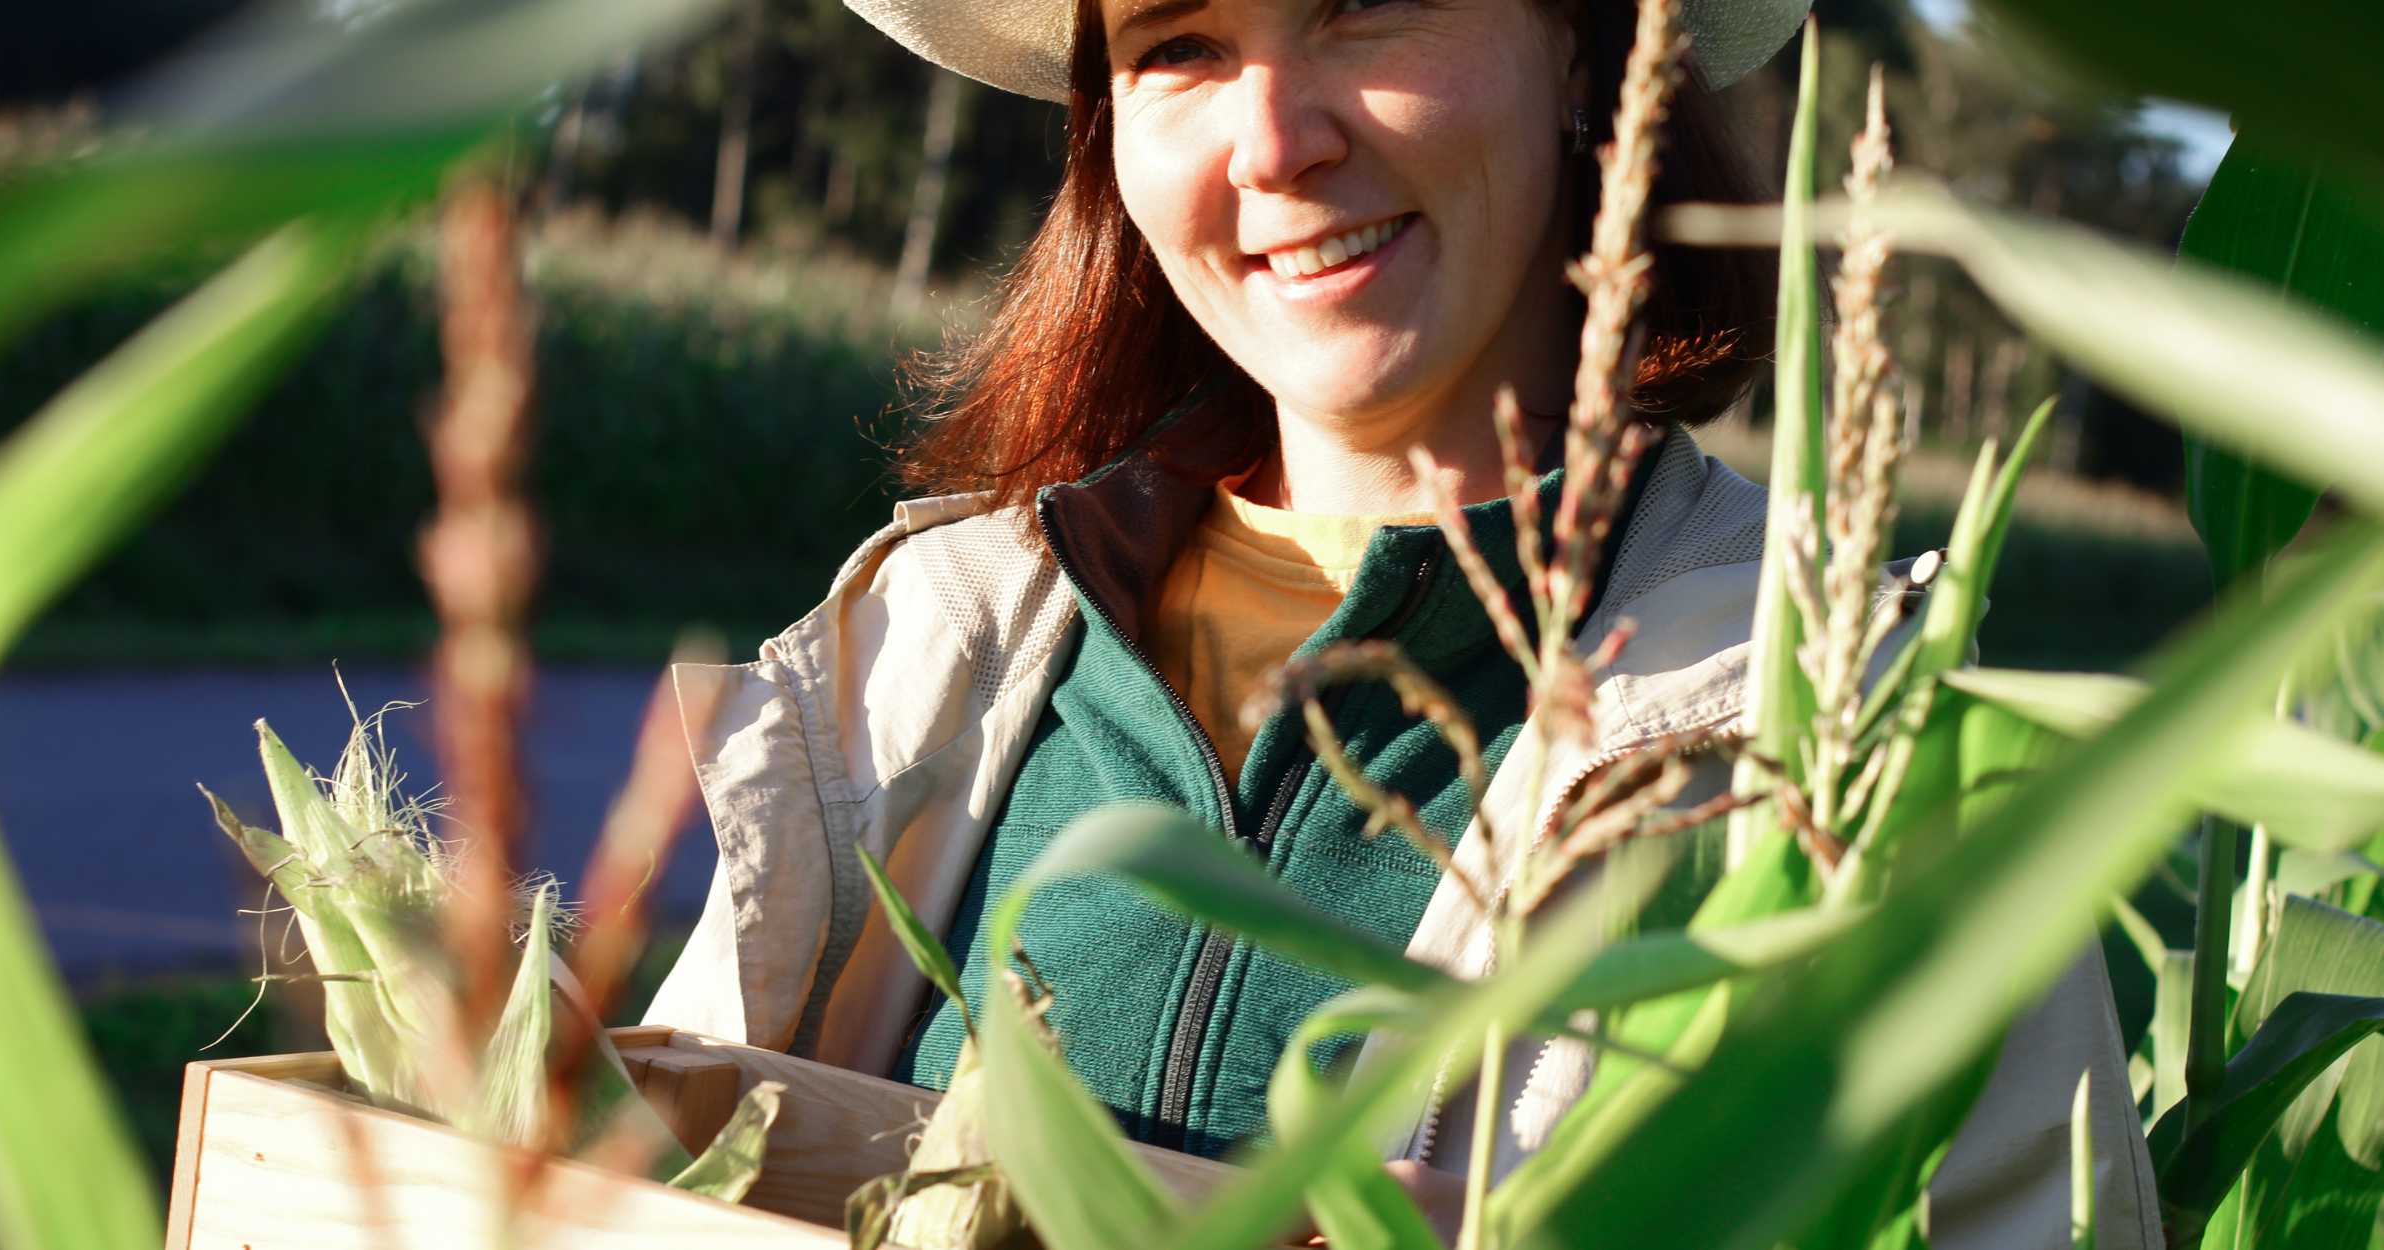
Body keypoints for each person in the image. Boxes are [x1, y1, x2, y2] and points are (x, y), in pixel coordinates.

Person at [643, 0, 2161, 1243]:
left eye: (1364, 6)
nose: (1276, 143)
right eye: (1177, 45)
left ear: (1581, 47)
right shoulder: (927, 646)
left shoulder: (1843, 732)